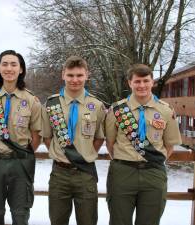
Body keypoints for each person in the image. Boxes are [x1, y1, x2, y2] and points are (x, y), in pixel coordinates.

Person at [105, 64, 182, 225]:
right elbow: (110, 143)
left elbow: (169, 146)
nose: (142, 85)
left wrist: (152, 160)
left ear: (152, 82)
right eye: (137, 81)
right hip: (122, 174)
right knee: (119, 221)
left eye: (146, 81)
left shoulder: (166, 111)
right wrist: (126, 160)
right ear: (130, 83)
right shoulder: (117, 110)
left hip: (153, 174)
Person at [42, 56, 106, 225]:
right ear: (63, 75)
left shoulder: (96, 105)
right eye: (70, 75)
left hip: (85, 174)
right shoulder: (51, 104)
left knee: (88, 221)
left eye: (79, 75)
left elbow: (99, 138)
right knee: (57, 221)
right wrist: (63, 154)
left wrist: (84, 154)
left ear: (87, 75)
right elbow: (47, 137)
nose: (75, 80)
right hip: (59, 173)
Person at [0, 50, 41, 225]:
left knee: (20, 214)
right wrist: (0, 149)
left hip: (21, 163)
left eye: (14, 64)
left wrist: (21, 154)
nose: (9, 68)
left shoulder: (31, 101)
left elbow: (36, 136)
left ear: (21, 69)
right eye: (4, 64)